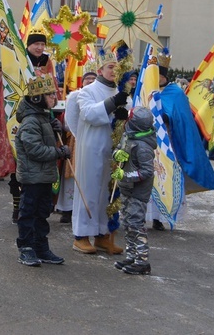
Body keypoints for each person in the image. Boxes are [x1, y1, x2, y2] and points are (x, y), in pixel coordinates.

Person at [151, 50, 214, 231]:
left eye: (156, 74)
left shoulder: (175, 92)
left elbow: (181, 118)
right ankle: (148, 215)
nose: (153, 77)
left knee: (166, 175)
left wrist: (166, 118)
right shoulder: (145, 90)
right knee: (150, 178)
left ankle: (161, 217)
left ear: (163, 75)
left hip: (169, 143)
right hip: (149, 144)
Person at [72, 47, 127, 255]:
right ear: (101, 69)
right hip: (92, 148)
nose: (114, 71)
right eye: (110, 67)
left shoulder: (121, 92)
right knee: (90, 189)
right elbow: (88, 114)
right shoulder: (88, 91)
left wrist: (124, 114)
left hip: (113, 150)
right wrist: (112, 104)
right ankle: (81, 236)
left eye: (118, 67)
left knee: (109, 192)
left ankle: (103, 235)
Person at [14, 75, 70, 266]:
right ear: (37, 98)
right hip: (32, 178)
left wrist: (57, 131)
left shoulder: (43, 118)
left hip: (44, 176)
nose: (54, 97)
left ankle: (41, 246)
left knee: (42, 213)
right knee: (29, 212)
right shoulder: (31, 122)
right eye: (50, 94)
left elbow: (46, 140)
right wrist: (59, 152)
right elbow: (35, 150)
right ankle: (26, 248)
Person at [110, 106, 157, 275]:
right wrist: (117, 155)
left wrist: (126, 175)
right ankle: (131, 256)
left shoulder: (143, 147)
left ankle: (142, 260)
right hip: (127, 188)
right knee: (128, 223)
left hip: (137, 192)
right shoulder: (128, 136)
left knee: (136, 224)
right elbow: (118, 148)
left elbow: (147, 172)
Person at [59, 69, 97, 224]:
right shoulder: (75, 96)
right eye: (87, 79)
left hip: (94, 142)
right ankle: (67, 210)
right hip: (76, 140)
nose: (90, 81)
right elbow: (68, 122)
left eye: (93, 79)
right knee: (72, 175)